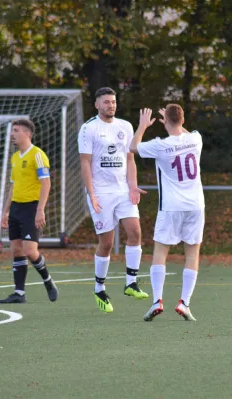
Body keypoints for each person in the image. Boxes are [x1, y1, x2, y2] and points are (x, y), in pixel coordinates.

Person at [129, 105, 205, 322]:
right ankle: (184, 303)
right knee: (192, 253)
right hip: (195, 205)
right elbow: (185, 132)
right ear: (182, 120)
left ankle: (157, 300)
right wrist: (176, 122)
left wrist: (143, 126)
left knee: (161, 252)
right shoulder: (195, 139)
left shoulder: (160, 145)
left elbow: (133, 147)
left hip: (171, 207)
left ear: (165, 121)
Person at [78, 87, 149, 313]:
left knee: (135, 233)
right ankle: (99, 288)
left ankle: (131, 283)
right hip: (101, 192)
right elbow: (85, 163)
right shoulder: (88, 128)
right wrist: (92, 194)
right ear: (97, 105)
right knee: (107, 243)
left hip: (122, 191)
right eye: (107, 102)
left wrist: (133, 186)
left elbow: (130, 160)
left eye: (114, 102)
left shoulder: (125, 126)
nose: (111, 105)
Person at [0, 119, 58, 304]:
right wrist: (5, 211)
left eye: (16, 130)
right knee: (16, 250)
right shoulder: (15, 157)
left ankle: (48, 281)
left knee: (30, 250)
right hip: (16, 207)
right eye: (12, 131)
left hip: (31, 208)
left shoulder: (37, 155)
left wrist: (40, 210)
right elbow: (13, 186)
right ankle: (19, 294)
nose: (12, 134)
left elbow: (46, 183)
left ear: (27, 133)